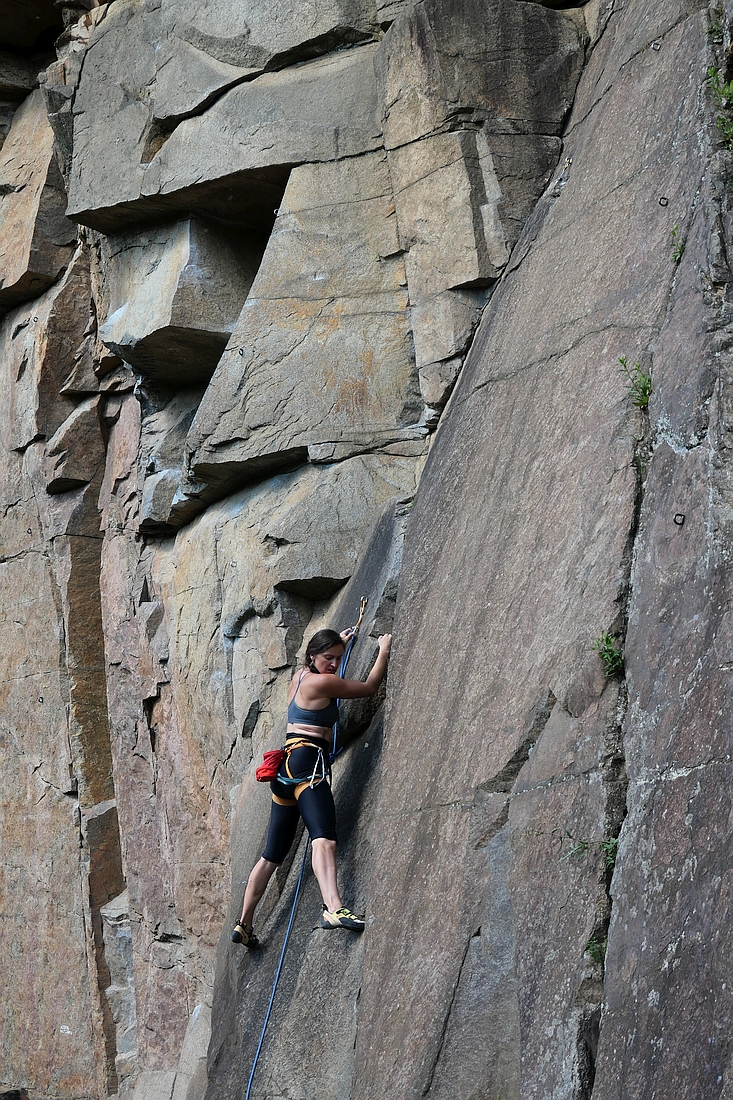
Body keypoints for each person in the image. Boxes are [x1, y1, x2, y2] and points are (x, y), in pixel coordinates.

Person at [231, 627, 392, 946]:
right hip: (307, 766)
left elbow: (322, 667)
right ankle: (334, 908)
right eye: (328, 658)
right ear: (313, 656)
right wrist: (384, 650)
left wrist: (338, 645)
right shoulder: (323, 681)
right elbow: (370, 687)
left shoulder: (300, 677)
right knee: (325, 839)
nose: (334, 664)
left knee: (271, 856)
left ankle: (245, 923)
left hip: (285, 769)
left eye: (338, 659)